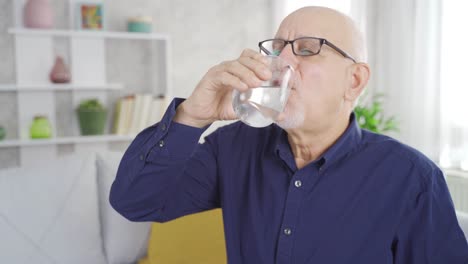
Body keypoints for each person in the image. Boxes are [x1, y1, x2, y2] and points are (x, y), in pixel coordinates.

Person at [110, 6, 468, 263]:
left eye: (309, 49)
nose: (284, 63)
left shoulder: (412, 178)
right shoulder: (232, 147)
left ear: (354, 80)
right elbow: (136, 201)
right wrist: (192, 115)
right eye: (278, 49)